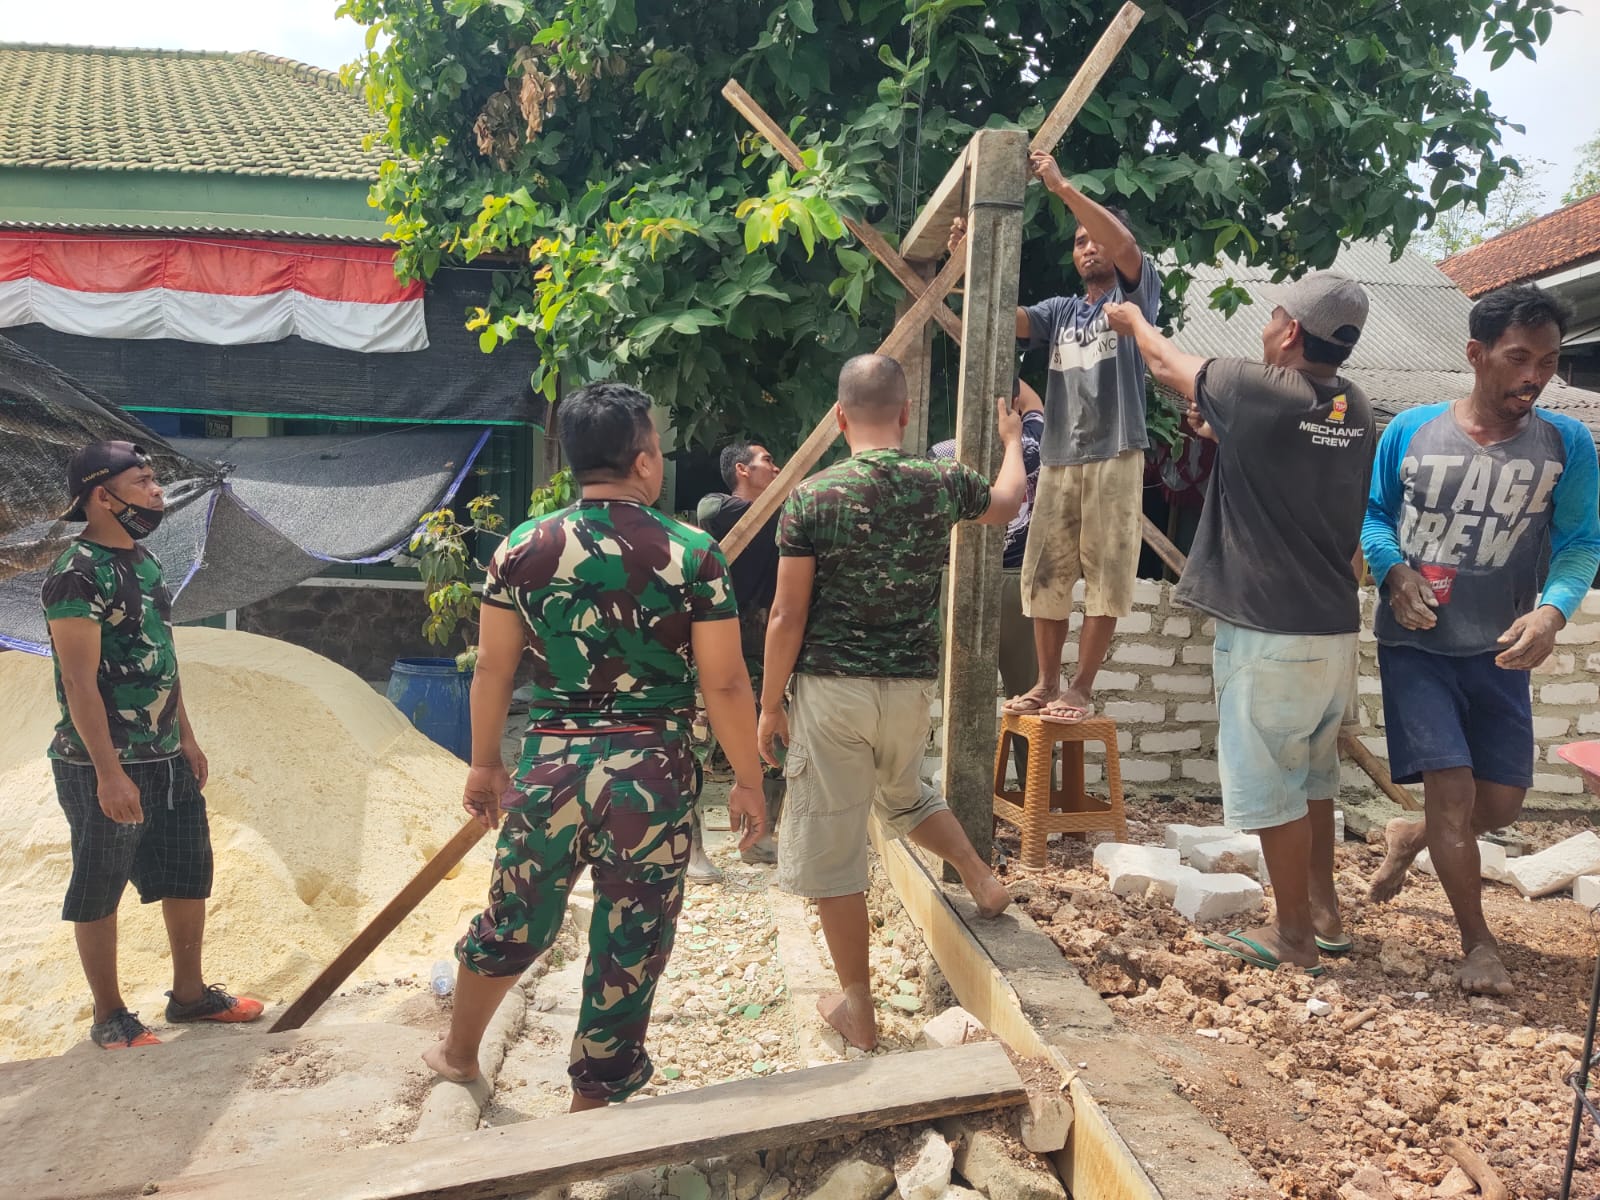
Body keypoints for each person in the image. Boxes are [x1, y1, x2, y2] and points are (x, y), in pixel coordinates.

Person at [423, 382, 767, 1109]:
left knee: (515, 918)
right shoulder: (692, 554)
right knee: (631, 937)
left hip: (550, 764)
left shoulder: (521, 548)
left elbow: (492, 666)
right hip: (653, 772)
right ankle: (592, 1101)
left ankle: (458, 1054)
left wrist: (486, 762)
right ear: (644, 461)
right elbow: (728, 685)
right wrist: (748, 779)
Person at [1106, 274, 1376, 975]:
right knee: (1313, 781)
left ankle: (1292, 942)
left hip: (1270, 631)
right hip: (1332, 629)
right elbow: (1289, 459)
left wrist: (1133, 319)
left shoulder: (1260, 387)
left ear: (1288, 330)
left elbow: (1166, 363)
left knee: (1274, 790)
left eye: (1273, 317)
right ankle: (1323, 915)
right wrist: (1227, 431)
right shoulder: (1352, 404)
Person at [757, 354, 1024, 1052]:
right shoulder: (941, 483)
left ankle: (859, 1008)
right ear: (906, 414)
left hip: (833, 691)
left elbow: (786, 615)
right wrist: (1013, 441)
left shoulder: (814, 497)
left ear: (840, 417)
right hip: (909, 689)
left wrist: (769, 706)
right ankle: (981, 879)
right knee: (905, 795)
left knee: (833, 848)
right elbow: (1007, 503)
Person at [1361, 283, 1600, 997]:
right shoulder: (1408, 430)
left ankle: (1412, 837)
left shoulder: (1568, 443)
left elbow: (1581, 542)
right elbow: (1374, 518)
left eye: (1549, 361)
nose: (1535, 377)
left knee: (1499, 805)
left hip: (1501, 648)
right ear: (1476, 354)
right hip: (1417, 648)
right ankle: (1479, 944)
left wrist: (1553, 612)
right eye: (1519, 359)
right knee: (1453, 790)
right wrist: (1392, 569)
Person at [42, 440, 263, 1050]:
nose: (156, 491)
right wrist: (110, 775)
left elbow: (161, 658)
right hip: (100, 763)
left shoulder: (145, 562)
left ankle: (190, 999)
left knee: (190, 872)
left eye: (154, 480)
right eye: (142, 481)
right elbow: (78, 681)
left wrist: (187, 737)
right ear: (100, 494)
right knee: (100, 881)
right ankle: (109, 1016)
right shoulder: (76, 572)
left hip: (167, 756)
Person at [952, 152, 1161, 724]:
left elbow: (1125, 250)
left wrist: (1061, 185)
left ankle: (1081, 687)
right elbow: (1005, 317)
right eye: (1077, 242)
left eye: (1093, 237)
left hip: (1116, 449)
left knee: (1106, 574)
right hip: (1064, 456)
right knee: (1045, 570)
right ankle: (1047, 682)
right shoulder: (1062, 311)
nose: (1087, 247)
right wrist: (969, 260)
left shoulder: (1135, 297)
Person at [932, 378, 1046, 778]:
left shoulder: (943, 455)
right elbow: (1034, 401)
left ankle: (961, 791)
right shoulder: (1032, 446)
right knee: (1028, 693)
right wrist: (1010, 400)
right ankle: (1035, 792)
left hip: (958, 582)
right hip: (1015, 583)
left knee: (961, 698)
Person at [693, 441, 786, 872]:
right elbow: (715, 513)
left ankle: (759, 838)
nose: (777, 467)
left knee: (773, 746)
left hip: (767, 644)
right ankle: (690, 848)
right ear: (741, 470)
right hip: (718, 640)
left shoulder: (785, 513)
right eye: (767, 461)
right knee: (694, 746)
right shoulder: (716, 507)